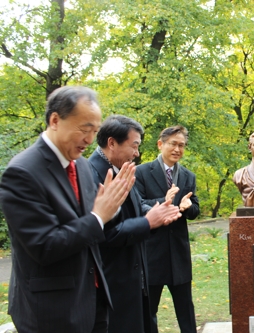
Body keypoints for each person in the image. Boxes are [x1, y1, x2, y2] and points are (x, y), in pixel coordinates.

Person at [0, 86, 135, 333]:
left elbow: (95, 224)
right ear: (55, 120)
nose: (90, 139)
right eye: (84, 129)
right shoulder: (22, 173)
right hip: (52, 311)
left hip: (93, 301)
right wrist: (99, 216)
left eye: (95, 131)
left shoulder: (81, 166)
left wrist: (111, 209)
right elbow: (45, 245)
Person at [88, 115, 181, 333]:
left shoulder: (122, 169)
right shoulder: (93, 175)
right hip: (114, 280)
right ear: (112, 143)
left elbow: (138, 206)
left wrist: (158, 211)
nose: (137, 153)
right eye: (134, 146)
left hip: (135, 275)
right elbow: (103, 234)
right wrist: (148, 222)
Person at [135, 125, 200, 333]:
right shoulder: (142, 172)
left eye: (181, 145)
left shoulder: (188, 176)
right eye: (173, 144)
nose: (177, 149)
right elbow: (138, 205)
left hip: (179, 254)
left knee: (186, 309)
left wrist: (188, 207)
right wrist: (164, 202)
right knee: (148, 310)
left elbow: (195, 207)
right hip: (152, 251)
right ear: (160, 144)